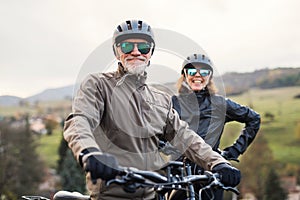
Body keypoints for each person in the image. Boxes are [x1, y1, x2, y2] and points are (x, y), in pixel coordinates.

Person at [63, 20, 241, 200]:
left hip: (154, 193)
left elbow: (186, 137)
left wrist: (218, 163)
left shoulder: (161, 99)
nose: (135, 52)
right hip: (112, 193)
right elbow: (79, 121)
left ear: (150, 52)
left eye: (143, 46)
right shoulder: (99, 85)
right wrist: (89, 153)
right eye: (126, 46)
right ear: (117, 52)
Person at [170, 53, 261, 199]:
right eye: (192, 71)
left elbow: (254, 119)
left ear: (210, 76)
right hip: (177, 173)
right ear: (184, 75)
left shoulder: (219, 103)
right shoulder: (172, 103)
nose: (198, 75)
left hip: (211, 174)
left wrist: (234, 151)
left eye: (204, 72)